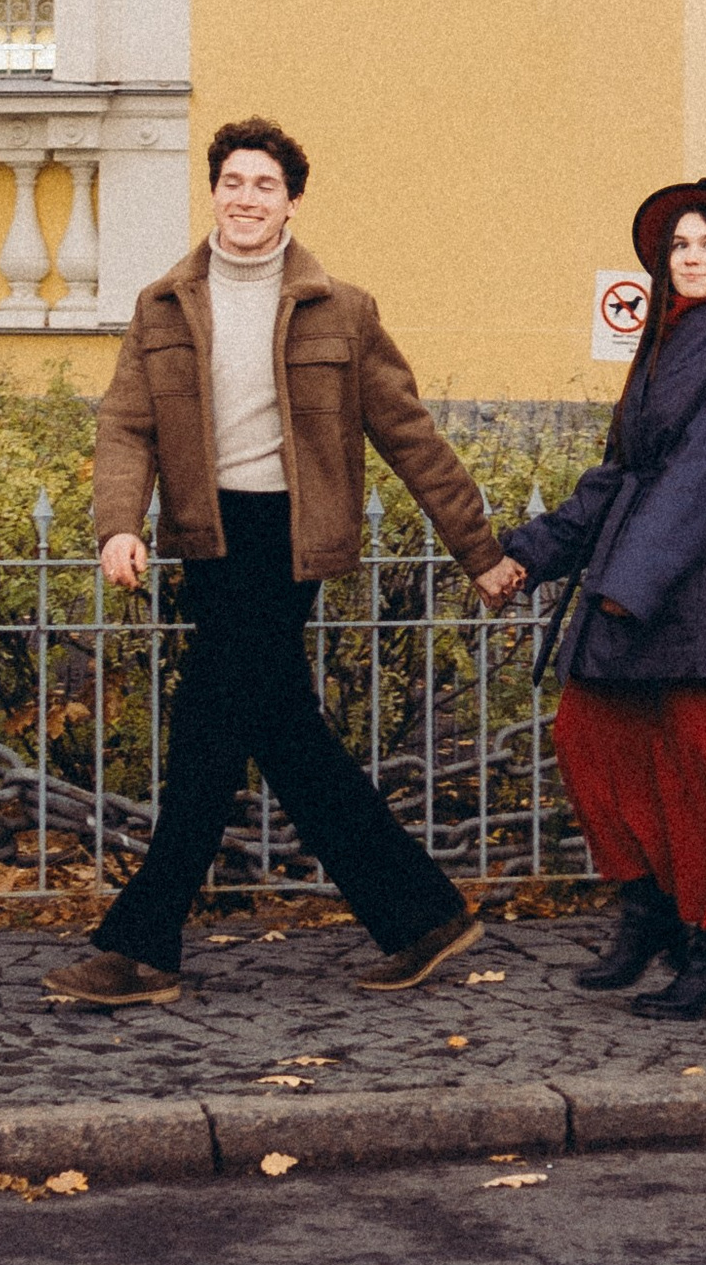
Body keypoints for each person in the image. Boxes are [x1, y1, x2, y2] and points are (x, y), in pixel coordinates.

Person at [45, 117, 528, 1005]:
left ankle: (141, 949)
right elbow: (126, 425)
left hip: (287, 541)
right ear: (215, 192)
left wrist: (481, 551)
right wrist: (120, 522)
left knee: (212, 731)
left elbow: (410, 435)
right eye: (233, 182)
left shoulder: (341, 309)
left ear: (291, 202)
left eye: (265, 185)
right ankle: (422, 915)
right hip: (208, 537)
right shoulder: (162, 307)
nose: (246, 199)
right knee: (267, 733)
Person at [498, 180, 706, 1024]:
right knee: (591, 739)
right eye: (678, 246)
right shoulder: (663, 349)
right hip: (643, 579)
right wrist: (528, 553)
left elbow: (699, 482)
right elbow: (621, 478)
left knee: (704, 773)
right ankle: (650, 908)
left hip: (697, 588)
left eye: (705, 245)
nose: (689, 257)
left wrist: (627, 590)